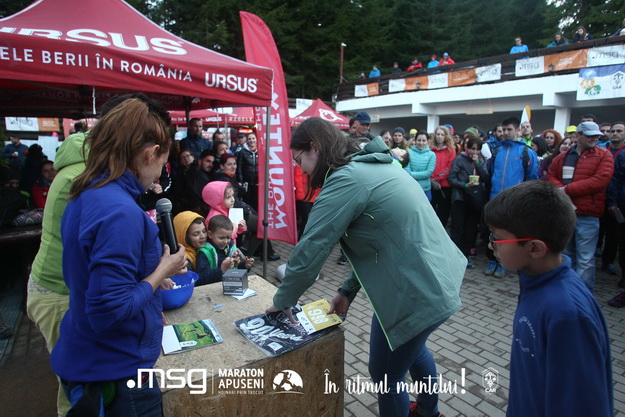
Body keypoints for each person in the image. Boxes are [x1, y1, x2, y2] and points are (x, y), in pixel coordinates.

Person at [267, 117, 465, 417]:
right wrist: (346, 291)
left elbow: (311, 248)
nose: (301, 169)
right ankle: (428, 411)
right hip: (435, 277)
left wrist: (283, 300)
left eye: (299, 160)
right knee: (412, 348)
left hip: (416, 290)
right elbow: (380, 245)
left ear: (315, 148)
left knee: (386, 374)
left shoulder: (347, 179)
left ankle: (426, 411)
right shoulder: (371, 165)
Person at [50, 98, 188, 416]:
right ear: (150, 153)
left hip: (91, 355)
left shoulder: (88, 193)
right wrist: (161, 272)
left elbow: (93, 278)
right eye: (163, 163)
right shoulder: (120, 212)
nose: (160, 173)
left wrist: (147, 302)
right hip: (116, 369)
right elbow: (108, 311)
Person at [483, 180, 613, 417]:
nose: (491, 245)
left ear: (535, 248)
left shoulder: (567, 315)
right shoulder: (535, 282)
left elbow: (581, 405)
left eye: (497, 237)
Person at [546, 121, 614, 291]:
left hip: (588, 215)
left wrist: (566, 190)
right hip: (566, 213)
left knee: (585, 259)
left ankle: (582, 295)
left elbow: (600, 180)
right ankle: (568, 292)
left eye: (596, 136)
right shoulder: (564, 156)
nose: (594, 139)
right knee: (567, 255)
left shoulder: (604, 155)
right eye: (590, 136)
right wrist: (560, 189)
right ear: (578, 136)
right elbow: (551, 175)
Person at [485, 116, 539, 278]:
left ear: (518, 130)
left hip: (514, 202)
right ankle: (492, 260)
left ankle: (504, 263)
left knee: (509, 235)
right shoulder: (497, 151)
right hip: (495, 199)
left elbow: (532, 179)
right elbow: (490, 174)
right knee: (493, 232)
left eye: (510, 129)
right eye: (504, 130)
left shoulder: (527, 152)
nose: (506, 133)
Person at [173, 212, 253, 287]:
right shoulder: (183, 261)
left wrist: (244, 265)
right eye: (196, 234)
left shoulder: (219, 247)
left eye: (204, 231)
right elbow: (197, 282)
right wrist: (221, 270)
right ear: (184, 236)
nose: (203, 236)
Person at [448, 135, 490, 268]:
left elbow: (486, 178)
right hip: (460, 198)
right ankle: (454, 257)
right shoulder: (460, 159)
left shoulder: (481, 160)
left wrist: (478, 163)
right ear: (467, 148)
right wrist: (464, 185)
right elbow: (451, 178)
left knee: (470, 230)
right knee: (458, 229)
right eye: (473, 149)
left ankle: (465, 257)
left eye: (478, 149)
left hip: (475, 199)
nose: (475, 152)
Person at [430, 126, 456, 228]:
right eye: (438, 134)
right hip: (431, 184)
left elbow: (450, 167)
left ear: (446, 136)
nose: (440, 136)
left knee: (443, 212)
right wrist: (432, 179)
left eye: (442, 134)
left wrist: (437, 178)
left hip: (445, 185)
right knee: (431, 210)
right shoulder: (430, 149)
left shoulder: (451, 150)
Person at [405, 131, 435, 200]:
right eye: (419, 140)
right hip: (411, 187)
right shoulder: (408, 153)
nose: (421, 143)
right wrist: (410, 174)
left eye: (424, 140)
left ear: (427, 141)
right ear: (415, 140)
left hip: (425, 189)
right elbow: (406, 171)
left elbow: (428, 173)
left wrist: (411, 174)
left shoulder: (432, 155)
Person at [236, 132, 260, 211]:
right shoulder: (242, 152)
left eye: (253, 138)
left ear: (256, 139)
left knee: (257, 201)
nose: (252, 140)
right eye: (249, 139)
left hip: (258, 182)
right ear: (247, 140)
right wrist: (240, 181)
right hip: (247, 182)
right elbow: (239, 167)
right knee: (247, 201)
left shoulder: (261, 151)